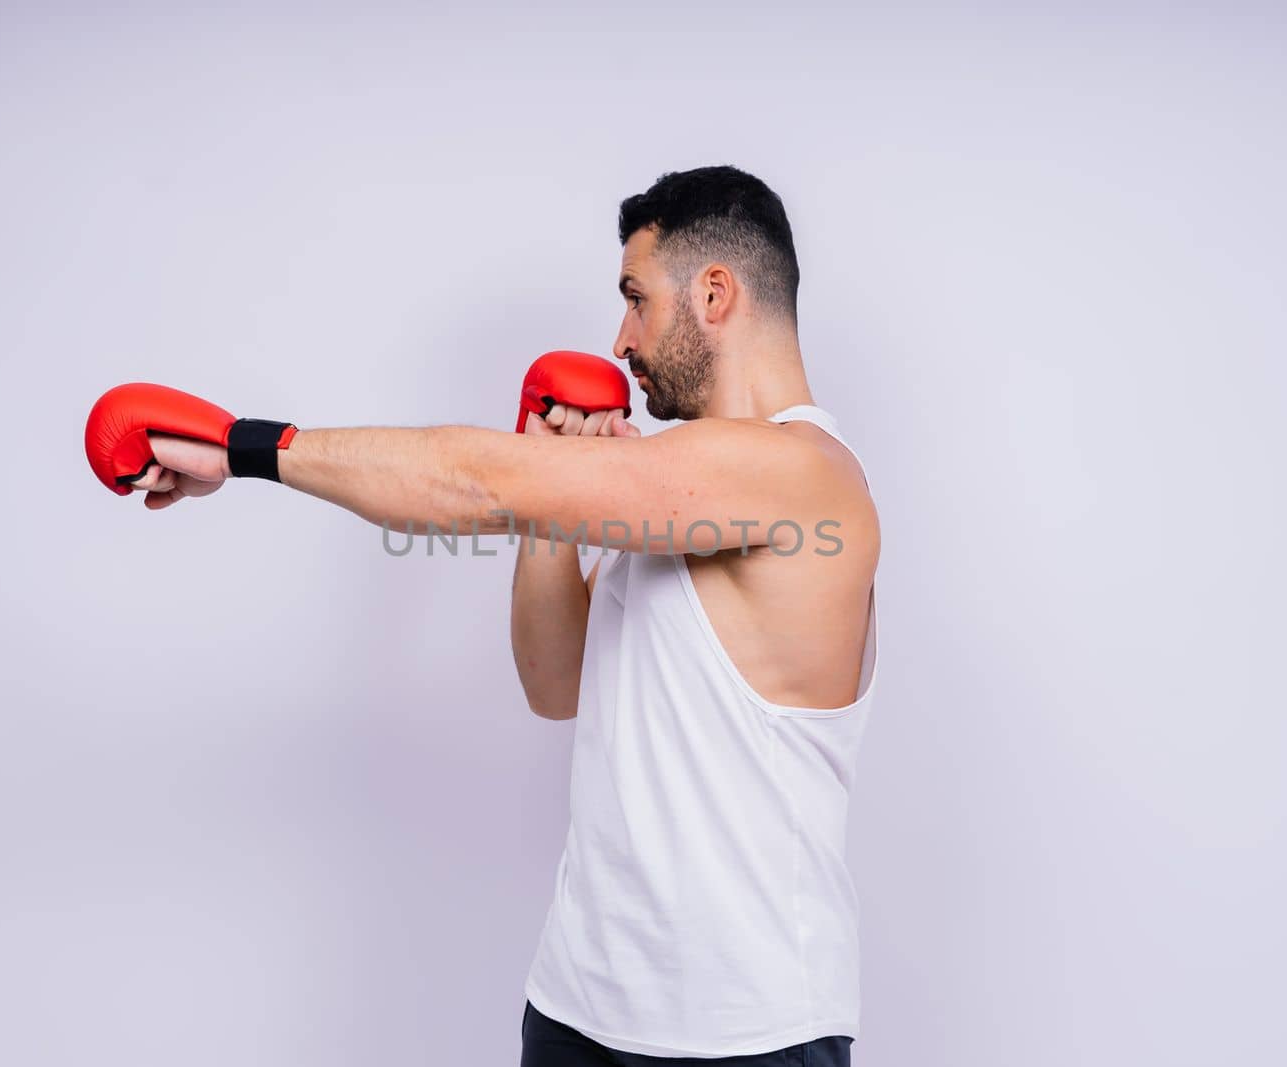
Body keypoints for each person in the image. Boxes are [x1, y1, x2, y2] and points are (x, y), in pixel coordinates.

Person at [108, 165, 880, 1065]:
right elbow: (555, 684)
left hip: (744, 1030)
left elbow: (477, 482)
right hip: (577, 1002)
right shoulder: (680, 485)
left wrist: (241, 445)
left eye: (637, 299)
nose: (621, 338)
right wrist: (553, 483)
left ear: (715, 292)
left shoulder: (799, 472)